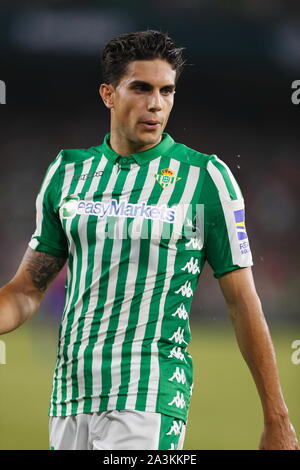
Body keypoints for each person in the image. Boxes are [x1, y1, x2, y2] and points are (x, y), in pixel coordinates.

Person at [0, 29, 298, 451]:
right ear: (108, 94)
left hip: (149, 399)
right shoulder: (67, 173)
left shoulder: (204, 179)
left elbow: (242, 302)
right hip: (69, 398)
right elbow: (26, 291)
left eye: (166, 91)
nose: (156, 103)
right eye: (141, 88)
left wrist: (277, 418)